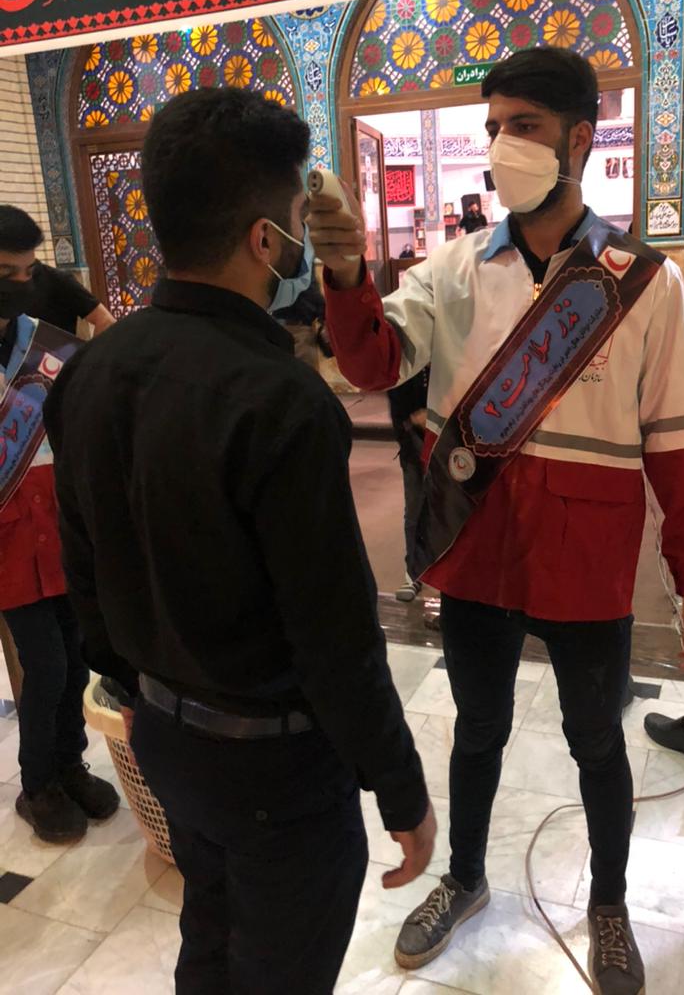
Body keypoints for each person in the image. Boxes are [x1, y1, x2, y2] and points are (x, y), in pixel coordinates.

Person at [310, 48, 684, 995]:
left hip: (588, 558)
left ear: (580, 140)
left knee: (596, 740)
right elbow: (373, 363)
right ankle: (464, 879)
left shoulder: (644, 283)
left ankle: (609, 904)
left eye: (525, 126)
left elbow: (679, 440)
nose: (503, 145)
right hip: (480, 547)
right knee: (479, 730)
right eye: (494, 126)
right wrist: (344, 272)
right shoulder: (454, 267)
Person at [45, 87, 435, 995]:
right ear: (267, 240)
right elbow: (334, 635)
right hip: (278, 771)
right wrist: (401, 788)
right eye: (299, 217)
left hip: (167, 743)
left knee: (211, 940)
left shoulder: (90, 371)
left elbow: (84, 572)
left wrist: (133, 688)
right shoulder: (279, 400)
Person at [0, 255, 119, 844]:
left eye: (27, 270)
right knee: (45, 665)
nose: (22, 282)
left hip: (58, 523)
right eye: (9, 271)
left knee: (75, 657)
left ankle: (70, 765)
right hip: (7, 541)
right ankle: (38, 784)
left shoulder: (40, 344)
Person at [0, 207, 115, 336]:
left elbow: (105, 321)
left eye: (29, 271)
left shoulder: (56, 280)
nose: (22, 280)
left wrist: (94, 350)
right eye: (6, 273)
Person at [387, 366, 429, 602]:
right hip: (413, 438)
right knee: (414, 507)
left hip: (453, 434)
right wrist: (410, 419)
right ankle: (413, 572)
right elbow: (395, 386)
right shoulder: (408, 357)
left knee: (455, 508)